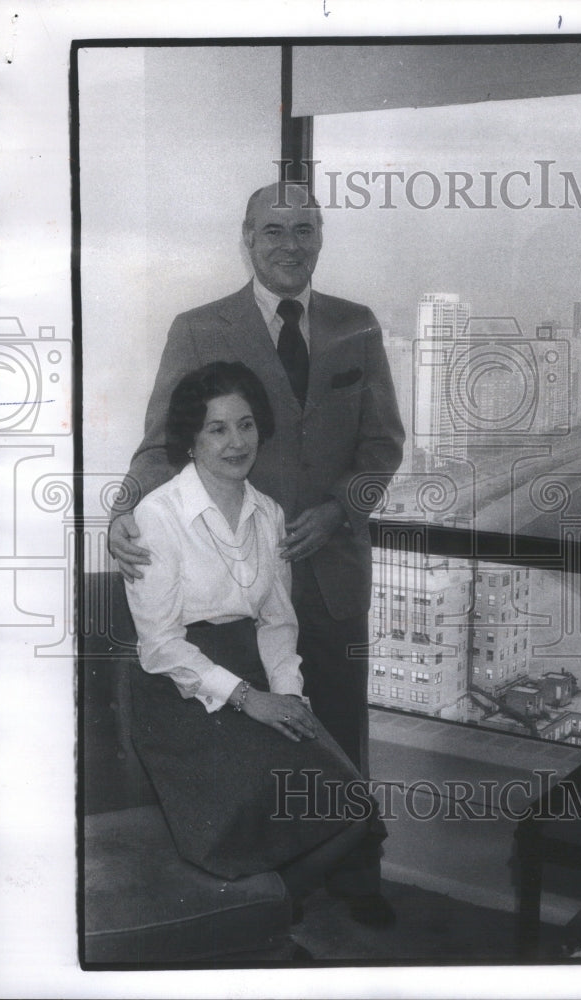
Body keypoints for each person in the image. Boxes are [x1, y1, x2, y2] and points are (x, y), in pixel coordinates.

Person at [109, 180, 404, 925]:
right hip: (230, 570)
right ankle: (264, 894)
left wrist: (339, 510)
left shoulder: (357, 325)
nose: (289, 245)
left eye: (305, 230)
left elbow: (382, 445)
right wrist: (121, 511)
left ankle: (354, 875)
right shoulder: (198, 328)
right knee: (250, 743)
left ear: (321, 238)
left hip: (329, 570)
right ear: (247, 239)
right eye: (273, 230)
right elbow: (160, 443)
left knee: (334, 729)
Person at [124, 361, 368, 881]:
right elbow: (159, 644)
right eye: (217, 429)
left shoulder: (269, 513)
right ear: (191, 441)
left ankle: (281, 907)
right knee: (256, 814)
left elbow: (278, 621)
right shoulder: (157, 515)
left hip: (255, 673)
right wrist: (249, 699)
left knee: (351, 804)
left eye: (246, 424)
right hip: (181, 690)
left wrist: (288, 695)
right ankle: (265, 913)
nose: (236, 442)